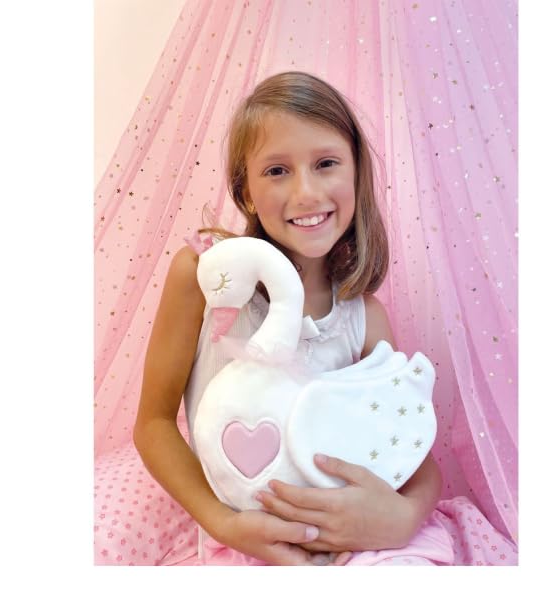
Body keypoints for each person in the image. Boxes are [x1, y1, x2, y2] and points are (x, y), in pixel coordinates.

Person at [132, 71, 449, 566]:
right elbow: (152, 424)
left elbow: (413, 449)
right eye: (277, 170)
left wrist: (404, 517)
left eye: (326, 164)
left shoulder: (364, 317)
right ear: (246, 192)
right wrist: (225, 524)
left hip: (347, 543)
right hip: (242, 537)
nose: (305, 192)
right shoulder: (205, 277)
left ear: (356, 172)